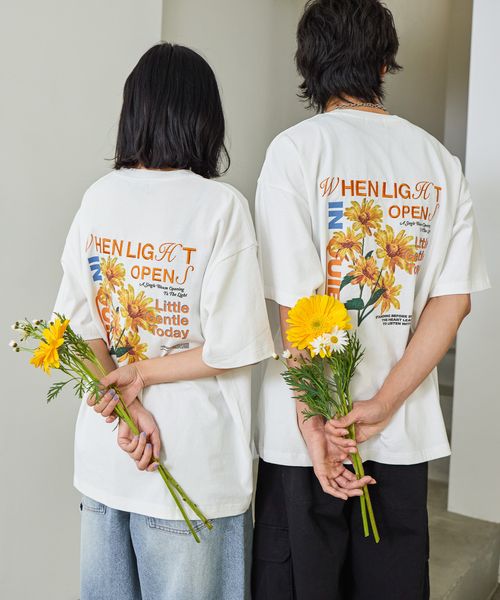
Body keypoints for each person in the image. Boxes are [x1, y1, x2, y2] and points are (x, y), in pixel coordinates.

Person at [252, 1, 490, 599]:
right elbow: (452, 302)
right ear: (385, 63)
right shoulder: (439, 163)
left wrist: (314, 424)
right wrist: (383, 404)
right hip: (399, 433)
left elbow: (297, 306)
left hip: (306, 441)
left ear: (309, 65)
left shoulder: (295, 152)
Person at [53, 42, 275, 600]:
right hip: (192, 465)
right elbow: (232, 345)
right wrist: (141, 382)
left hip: (109, 460)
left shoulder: (98, 199)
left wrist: (130, 405)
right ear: (205, 117)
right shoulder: (220, 206)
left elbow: (77, 331)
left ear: (134, 111)